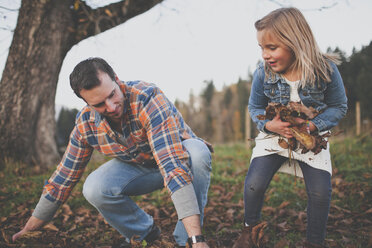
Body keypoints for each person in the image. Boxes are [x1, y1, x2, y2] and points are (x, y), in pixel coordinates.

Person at [12, 57, 213, 248]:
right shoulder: (86, 124)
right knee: (93, 187)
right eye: (99, 104)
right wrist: (29, 229)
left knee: (198, 152)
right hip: (141, 166)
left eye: (112, 95)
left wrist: (197, 239)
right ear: (86, 103)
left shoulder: (147, 98)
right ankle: (145, 234)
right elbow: (63, 179)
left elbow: (172, 164)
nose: (111, 107)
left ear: (116, 79)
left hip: (179, 158)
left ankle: (187, 240)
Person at [233, 7, 347, 248]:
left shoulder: (325, 70)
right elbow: (255, 107)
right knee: (254, 184)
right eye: (261, 48)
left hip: (311, 139)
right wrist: (268, 125)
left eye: (271, 48)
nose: (265, 55)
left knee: (320, 193)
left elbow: (339, 106)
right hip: (274, 135)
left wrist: (314, 126)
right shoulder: (262, 74)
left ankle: (315, 242)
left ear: (295, 42)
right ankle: (249, 231)